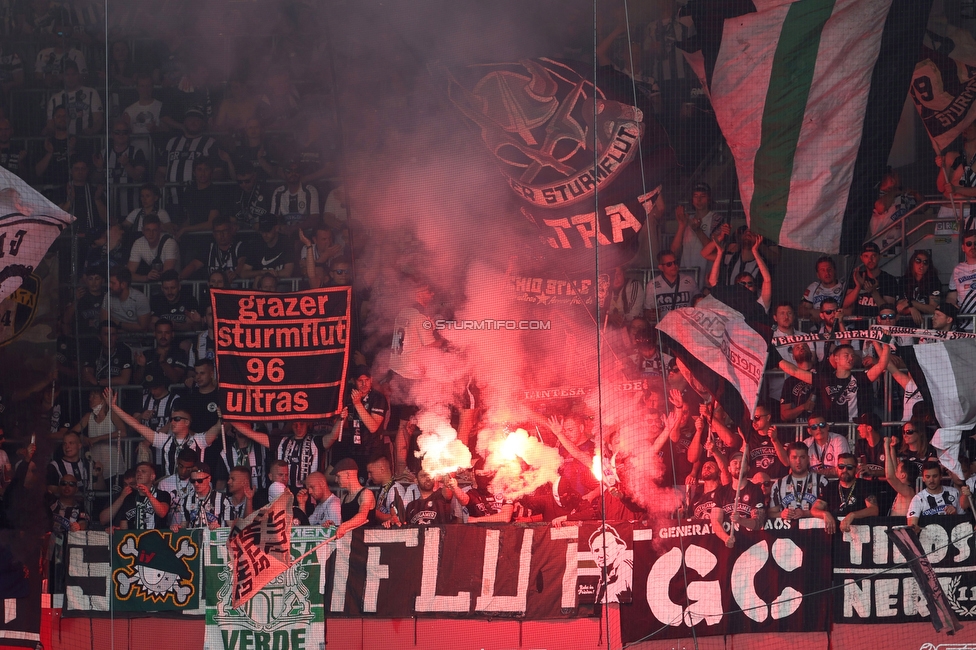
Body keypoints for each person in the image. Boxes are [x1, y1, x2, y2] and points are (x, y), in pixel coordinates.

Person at [107, 387, 218, 477]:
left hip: (195, 489)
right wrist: (114, 407)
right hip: (171, 490)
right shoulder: (165, 441)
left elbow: (218, 427)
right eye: (171, 419)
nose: (172, 422)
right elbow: (136, 425)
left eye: (177, 419)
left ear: (187, 422)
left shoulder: (199, 440)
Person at [779, 342, 889, 423]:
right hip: (831, 432)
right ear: (836, 358)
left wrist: (886, 344)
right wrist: (773, 355)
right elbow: (794, 371)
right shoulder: (824, 379)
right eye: (846, 355)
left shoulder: (860, 378)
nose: (851, 358)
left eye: (852, 356)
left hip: (852, 430)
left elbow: (881, 365)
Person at [323, 366, 387, 476]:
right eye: (360, 381)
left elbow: (373, 427)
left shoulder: (378, 398)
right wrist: (341, 418)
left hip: (372, 451)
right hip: (352, 448)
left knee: (369, 481)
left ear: (371, 379)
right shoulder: (347, 398)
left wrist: (357, 404)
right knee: (328, 475)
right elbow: (342, 425)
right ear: (354, 381)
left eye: (366, 380)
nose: (364, 384)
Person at [156, 106, 218, 213]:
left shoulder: (210, 143)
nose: (193, 122)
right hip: (172, 201)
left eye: (197, 120)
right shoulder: (172, 142)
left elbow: (218, 171)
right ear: (184, 122)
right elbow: (161, 170)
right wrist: (160, 178)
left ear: (203, 123)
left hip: (200, 201)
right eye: (190, 119)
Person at [233, 421, 322, 490]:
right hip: (283, 493)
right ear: (290, 424)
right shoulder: (281, 441)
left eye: (302, 424)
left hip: (307, 493)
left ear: (308, 424)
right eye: (295, 424)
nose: (298, 427)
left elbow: (332, 437)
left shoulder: (316, 441)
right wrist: (229, 418)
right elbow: (251, 434)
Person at [768, 443, 834, 533]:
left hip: (816, 534)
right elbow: (771, 513)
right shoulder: (778, 484)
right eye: (794, 457)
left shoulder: (821, 481)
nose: (798, 461)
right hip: (788, 535)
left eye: (802, 457)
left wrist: (805, 513)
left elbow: (828, 510)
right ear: (788, 460)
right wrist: (781, 514)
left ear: (808, 459)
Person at [69, 387, 127, 482]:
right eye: (90, 396)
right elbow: (72, 433)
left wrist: (98, 439)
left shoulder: (112, 414)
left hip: (114, 468)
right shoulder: (88, 417)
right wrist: (82, 437)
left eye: (94, 396)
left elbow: (123, 432)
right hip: (95, 467)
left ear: (103, 399)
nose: (90, 399)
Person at [670, 183, 721, 289]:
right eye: (695, 196)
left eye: (702, 196)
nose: (699, 200)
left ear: (709, 198)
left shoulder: (716, 219)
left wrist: (697, 230)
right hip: (685, 280)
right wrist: (681, 226)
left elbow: (716, 250)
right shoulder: (687, 219)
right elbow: (674, 252)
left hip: (706, 280)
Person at [709, 452, 766, 545]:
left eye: (742, 462)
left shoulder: (755, 490)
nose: (738, 465)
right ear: (729, 468)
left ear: (748, 468)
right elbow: (715, 521)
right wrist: (726, 538)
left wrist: (740, 520)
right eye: (735, 463)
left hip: (751, 544)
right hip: (728, 545)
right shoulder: (721, 491)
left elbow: (758, 523)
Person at [821, 453, 878, 532]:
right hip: (835, 535)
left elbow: (874, 510)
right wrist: (825, 514)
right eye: (841, 466)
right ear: (837, 468)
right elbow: (815, 509)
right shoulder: (831, 486)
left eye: (849, 467)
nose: (845, 470)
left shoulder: (864, 485)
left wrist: (853, 515)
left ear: (856, 469)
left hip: (859, 533)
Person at [101, 118, 146, 218]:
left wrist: (127, 165)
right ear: (112, 134)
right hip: (107, 208)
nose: (121, 135)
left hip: (131, 208)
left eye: (124, 132)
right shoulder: (103, 154)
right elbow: (95, 180)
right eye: (117, 132)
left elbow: (139, 177)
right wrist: (99, 168)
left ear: (129, 134)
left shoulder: (137, 152)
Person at [45, 61, 103, 136]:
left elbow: (98, 119)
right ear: (62, 77)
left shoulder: (91, 93)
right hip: (63, 142)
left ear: (78, 75)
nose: (70, 78)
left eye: (73, 74)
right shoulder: (55, 99)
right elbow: (50, 124)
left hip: (86, 140)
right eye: (67, 75)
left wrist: (91, 131)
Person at [179, 215, 245, 282]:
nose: (222, 235)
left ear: (230, 231)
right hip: (213, 290)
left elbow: (242, 261)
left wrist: (236, 273)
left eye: (225, 231)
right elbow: (194, 265)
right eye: (218, 232)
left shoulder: (239, 246)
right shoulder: (209, 248)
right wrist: (179, 278)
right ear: (214, 234)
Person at [843, 242, 898, 320]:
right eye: (866, 256)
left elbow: (888, 311)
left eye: (873, 256)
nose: (870, 260)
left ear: (879, 257)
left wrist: (874, 292)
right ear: (861, 258)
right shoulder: (857, 276)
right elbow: (844, 304)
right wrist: (858, 287)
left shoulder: (889, 279)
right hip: (858, 325)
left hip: (880, 325)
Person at [642, 250, 697, 326]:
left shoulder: (689, 280)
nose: (674, 266)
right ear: (661, 267)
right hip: (664, 328)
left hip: (686, 328)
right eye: (669, 264)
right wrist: (650, 315)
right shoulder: (652, 284)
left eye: (675, 262)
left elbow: (698, 303)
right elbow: (647, 310)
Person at [112, 462, 170, 530]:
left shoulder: (162, 495)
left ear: (152, 477)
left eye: (143, 471)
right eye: (137, 472)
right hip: (135, 539)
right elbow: (124, 525)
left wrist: (148, 494)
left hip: (156, 538)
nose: (139, 474)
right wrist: (118, 531)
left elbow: (162, 513)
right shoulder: (129, 498)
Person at [175, 462, 233, 530]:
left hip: (215, 538)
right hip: (193, 539)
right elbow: (184, 524)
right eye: (193, 481)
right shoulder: (186, 500)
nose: (196, 484)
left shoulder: (223, 500)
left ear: (209, 479)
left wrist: (219, 528)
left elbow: (231, 526)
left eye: (200, 480)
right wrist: (177, 528)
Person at [176, 157, 224, 238]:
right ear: (194, 172)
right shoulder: (189, 190)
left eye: (206, 169)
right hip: (191, 238)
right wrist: (178, 228)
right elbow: (188, 219)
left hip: (209, 238)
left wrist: (186, 229)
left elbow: (211, 224)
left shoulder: (215, 192)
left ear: (211, 172)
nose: (203, 173)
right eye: (199, 169)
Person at [270, 160, 320, 236]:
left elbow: (314, 219)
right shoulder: (278, 192)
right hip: (285, 236)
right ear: (284, 173)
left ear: (300, 173)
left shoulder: (310, 190)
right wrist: (281, 227)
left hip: (307, 234)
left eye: (296, 171)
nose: (293, 174)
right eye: (289, 171)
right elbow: (274, 218)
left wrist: (293, 229)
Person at [133, 318, 188, 387]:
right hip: (148, 395)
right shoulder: (146, 354)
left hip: (172, 395)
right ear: (154, 334)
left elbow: (176, 379)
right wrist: (142, 367)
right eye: (160, 332)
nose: (163, 336)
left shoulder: (180, 353)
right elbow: (136, 382)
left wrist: (163, 363)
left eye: (167, 333)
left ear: (172, 334)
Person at [907, 461, 961, 530]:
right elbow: (912, 525)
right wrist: (914, 528)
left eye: (935, 476)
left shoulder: (954, 492)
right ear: (923, 478)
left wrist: (955, 514)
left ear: (941, 476)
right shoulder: (917, 499)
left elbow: (965, 520)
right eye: (927, 477)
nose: (931, 480)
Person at [366, 455, 419, 525]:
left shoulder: (395, 489)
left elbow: (396, 517)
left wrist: (371, 511)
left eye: (371, 472)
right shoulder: (383, 488)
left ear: (382, 469)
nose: (369, 476)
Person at [240, 214, 295, 280]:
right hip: (262, 284)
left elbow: (287, 272)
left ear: (276, 228)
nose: (264, 234)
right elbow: (244, 273)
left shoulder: (286, 242)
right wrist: (262, 273)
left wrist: (268, 275)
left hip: (281, 284)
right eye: (262, 231)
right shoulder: (256, 244)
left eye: (268, 230)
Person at [127, 214, 179, 282]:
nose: (151, 234)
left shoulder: (170, 243)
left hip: (172, 286)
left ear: (160, 230)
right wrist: (146, 278)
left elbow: (167, 274)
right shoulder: (138, 243)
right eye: (148, 230)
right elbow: (128, 274)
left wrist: (152, 276)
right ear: (142, 230)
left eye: (154, 230)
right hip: (152, 286)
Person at [588, 524, 633, 603]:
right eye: (596, 550)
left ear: (619, 548)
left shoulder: (625, 567)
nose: (600, 555)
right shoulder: (604, 575)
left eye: (605, 548)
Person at [81, 320, 133, 387]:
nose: (110, 338)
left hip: (119, 394)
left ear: (117, 336)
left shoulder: (124, 350)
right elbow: (87, 376)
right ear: (100, 337)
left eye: (113, 334)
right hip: (97, 394)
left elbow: (124, 380)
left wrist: (98, 382)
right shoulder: (93, 349)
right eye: (106, 334)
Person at [332, 458, 375, 538]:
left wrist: (344, 526)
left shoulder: (366, 493)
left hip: (366, 541)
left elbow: (362, 516)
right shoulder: (343, 497)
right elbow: (343, 522)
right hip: (350, 544)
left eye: (338, 476)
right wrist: (335, 526)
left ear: (348, 475)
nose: (335, 480)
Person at [122, 73, 163, 157]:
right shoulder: (129, 110)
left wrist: (156, 129)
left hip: (157, 154)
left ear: (152, 87)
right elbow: (123, 134)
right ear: (137, 88)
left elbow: (167, 130)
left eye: (148, 86)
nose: (145, 89)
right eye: (142, 86)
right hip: (136, 156)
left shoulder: (161, 106)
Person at [897, 249, 941, 326]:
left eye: (925, 262)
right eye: (918, 261)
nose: (921, 265)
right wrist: (911, 309)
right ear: (912, 263)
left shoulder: (934, 281)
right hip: (906, 325)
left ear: (929, 265)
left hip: (927, 325)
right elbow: (899, 307)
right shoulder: (903, 280)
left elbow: (933, 309)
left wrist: (911, 303)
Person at [100, 267, 152, 333]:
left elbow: (143, 327)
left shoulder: (140, 298)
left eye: (113, 283)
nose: (109, 286)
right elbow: (104, 323)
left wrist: (118, 323)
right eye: (109, 282)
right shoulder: (108, 296)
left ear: (123, 284)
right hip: (114, 339)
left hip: (136, 341)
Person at [800, 414, 851, 478]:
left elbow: (841, 469)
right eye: (814, 427)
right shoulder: (806, 444)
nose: (819, 429)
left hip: (835, 484)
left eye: (822, 425)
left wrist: (812, 473)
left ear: (827, 427)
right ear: (809, 431)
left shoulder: (839, 440)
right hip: (813, 485)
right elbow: (798, 469)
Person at [156, 449, 198, 528]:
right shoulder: (164, 483)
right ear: (177, 461)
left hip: (193, 529)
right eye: (181, 466)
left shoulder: (199, 482)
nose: (183, 471)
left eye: (188, 468)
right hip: (170, 530)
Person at [779, 343, 816, 423]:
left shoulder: (822, 372)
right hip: (800, 428)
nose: (801, 347)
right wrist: (803, 407)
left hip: (822, 425)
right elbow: (784, 415)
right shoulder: (789, 382)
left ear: (811, 353)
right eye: (797, 347)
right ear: (793, 356)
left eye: (805, 346)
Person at [884, 436, 918, 517]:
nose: (895, 471)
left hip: (902, 526)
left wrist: (886, 447)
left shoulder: (908, 491)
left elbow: (890, 477)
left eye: (898, 470)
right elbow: (894, 469)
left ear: (903, 475)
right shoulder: (903, 488)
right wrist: (892, 448)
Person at [947, 230, 976, 325]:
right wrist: (951, 305)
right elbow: (952, 296)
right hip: (964, 324)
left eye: (975, 243)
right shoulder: (957, 270)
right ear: (963, 248)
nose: (973, 246)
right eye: (969, 243)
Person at [853, 413, 887, 479]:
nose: (858, 428)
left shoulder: (886, 444)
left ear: (869, 428)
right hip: (865, 485)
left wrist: (871, 472)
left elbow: (893, 471)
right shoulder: (860, 444)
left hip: (884, 486)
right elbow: (856, 467)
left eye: (861, 425)